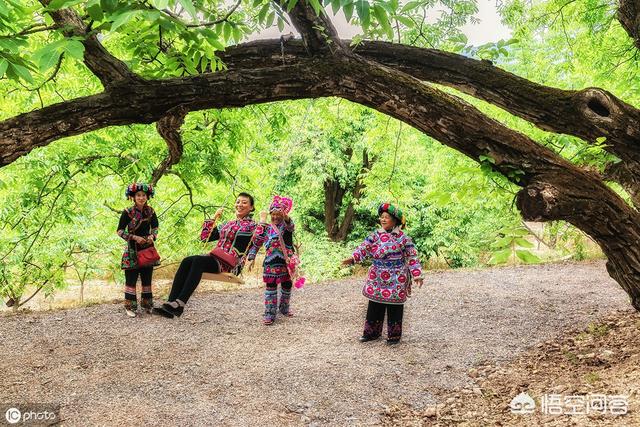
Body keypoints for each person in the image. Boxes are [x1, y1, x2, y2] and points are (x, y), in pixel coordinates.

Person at [153, 192, 258, 318]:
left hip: (231, 263)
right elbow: (204, 238)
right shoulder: (227, 224)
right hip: (216, 258)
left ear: (251, 207)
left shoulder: (254, 226)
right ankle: (171, 303)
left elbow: (258, 242)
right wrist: (214, 218)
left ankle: (180, 303)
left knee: (198, 261)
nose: (240, 204)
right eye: (238, 202)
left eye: (244, 202)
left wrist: (252, 256)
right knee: (187, 260)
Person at [341, 203, 423, 344]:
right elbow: (363, 248)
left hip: (397, 276)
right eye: (382, 217)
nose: (383, 220)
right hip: (377, 275)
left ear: (395, 220)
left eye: (387, 217)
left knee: (394, 306)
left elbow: (412, 256)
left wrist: (417, 274)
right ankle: (371, 333)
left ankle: (394, 336)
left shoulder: (404, 238)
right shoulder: (375, 236)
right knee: (375, 304)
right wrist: (354, 258)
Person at [247, 195, 296, 325]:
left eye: (278, 214)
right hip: (270, 262)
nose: (275, 217)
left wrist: (285, 216)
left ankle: (284, 308)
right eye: (273, 214)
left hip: (286, 261)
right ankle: (269, 313)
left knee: (287, 284)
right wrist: (251, 257)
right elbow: (257, 241)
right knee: (271, 286)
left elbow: (291, 226)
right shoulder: (266, 228)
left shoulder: (286, 227)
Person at [116, 183, 159, 317]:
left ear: (147, 197)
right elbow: (120, 231)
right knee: (131, 279)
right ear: (133, 197)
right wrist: (134, 237)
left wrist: (152, 236)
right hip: (132, 250)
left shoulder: (151, 211)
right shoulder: (127, 212)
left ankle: (147, 305)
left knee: (147, 278)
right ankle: (130, 307)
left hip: (147, 248)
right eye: (138, 195)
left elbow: (155, 227)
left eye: (143, 195)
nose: (141, 198)